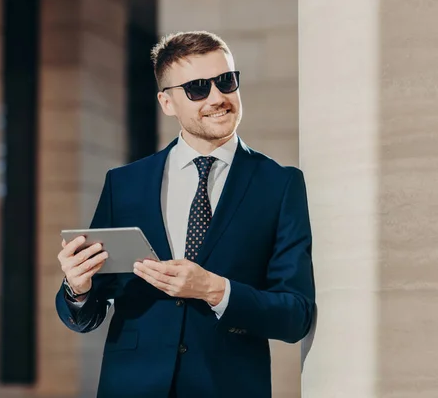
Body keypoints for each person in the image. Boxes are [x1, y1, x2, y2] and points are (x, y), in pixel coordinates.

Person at [55, 31, 316, 398]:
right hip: (131, 387)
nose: (218, 98)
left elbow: (296, 315)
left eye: (226, 81)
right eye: (197, 88)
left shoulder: (280, 184)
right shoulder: (124, 184)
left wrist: (214, 289)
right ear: (167, 102)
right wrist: (77, 288)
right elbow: (88, 312)